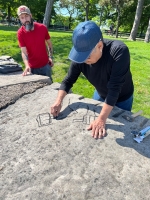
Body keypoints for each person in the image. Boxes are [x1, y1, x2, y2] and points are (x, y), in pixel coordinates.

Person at [50, 21, 134, 139]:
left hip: (123, 97)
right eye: (80, 55)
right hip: (100, 93)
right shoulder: (80, 56)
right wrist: (58, 101)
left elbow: (115, 89)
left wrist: (101, 119)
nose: (83, 60)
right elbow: (68, 80)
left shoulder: (119, 51)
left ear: (100, 46)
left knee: (120, 123)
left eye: (87, 56)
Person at [17, 5, 53, 79]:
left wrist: (50, 57)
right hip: (32, 68)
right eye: (22, 18)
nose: (25, 19)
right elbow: (24, 52)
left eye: (26, 16)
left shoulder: (42, 28)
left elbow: (49, 44)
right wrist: (27, 65)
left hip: (45, 66)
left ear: (31, 15)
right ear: (20, 19)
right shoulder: (20, 33)